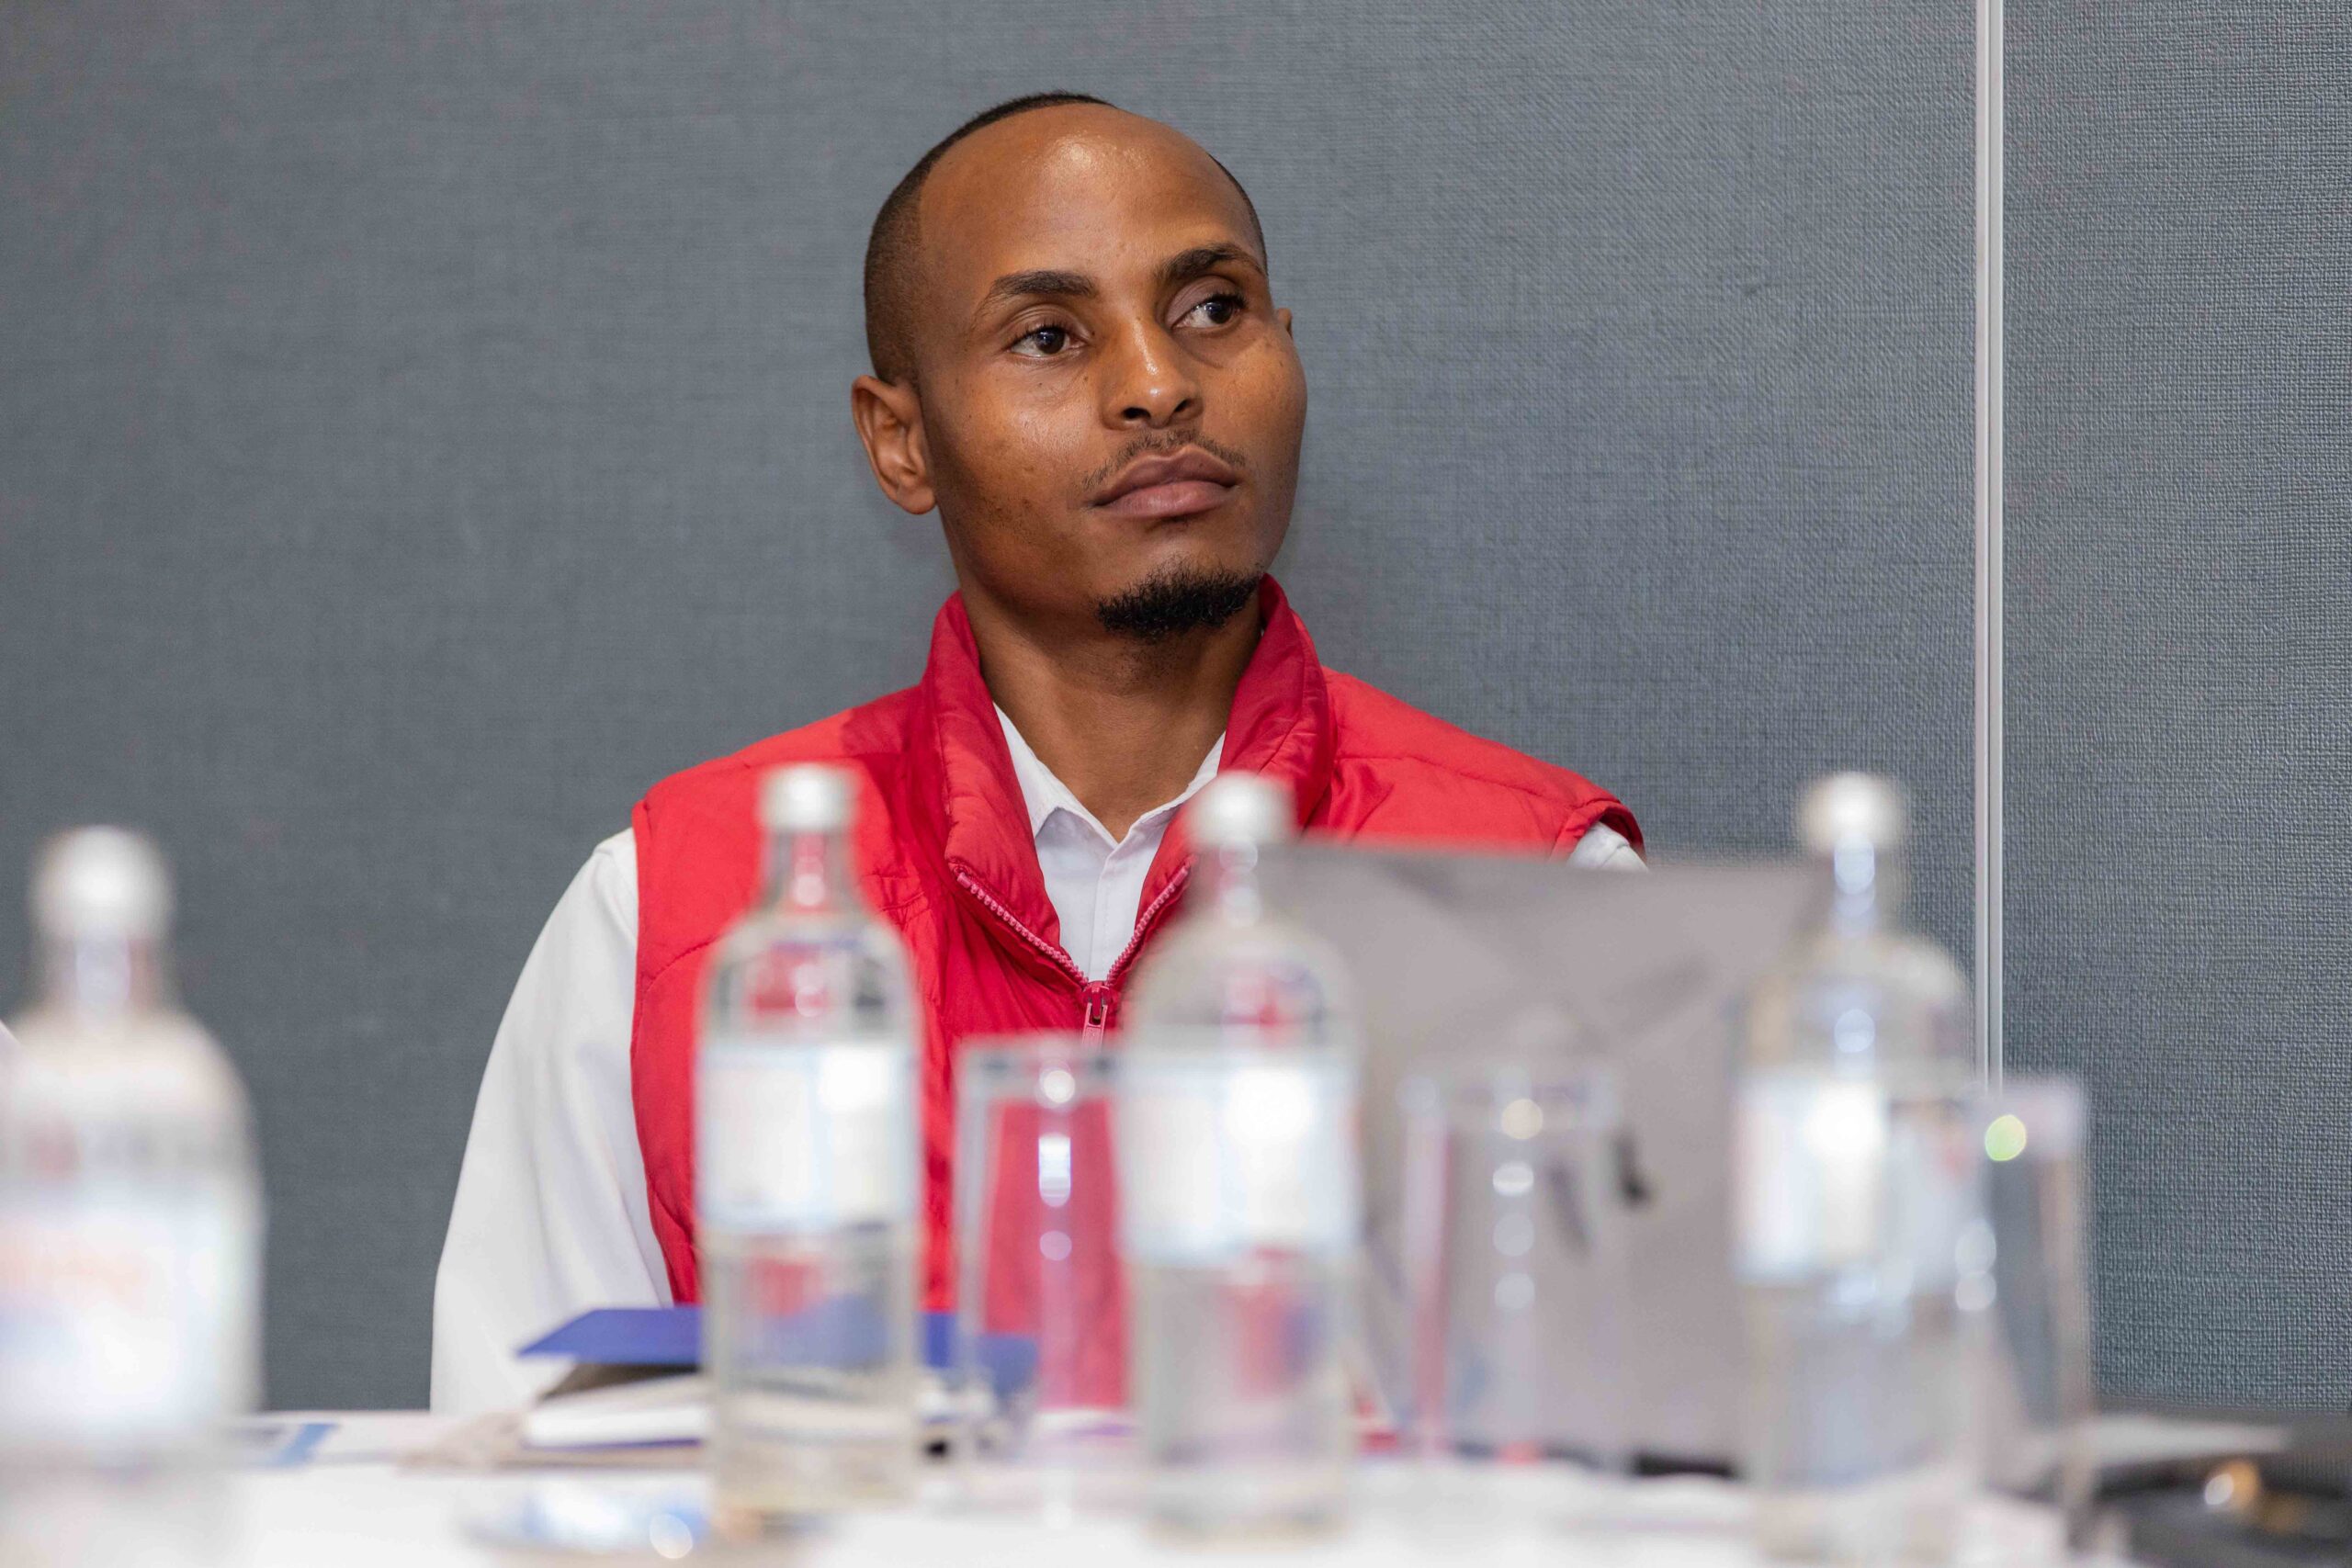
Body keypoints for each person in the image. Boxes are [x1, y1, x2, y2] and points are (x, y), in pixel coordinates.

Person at [431, 92, 1641, 1413]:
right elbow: (520, 1473)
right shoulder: (671, 916)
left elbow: (1651, 1469)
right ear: (902, 441)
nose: (1158, 383)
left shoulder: (1544, 889)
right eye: (1051, 336)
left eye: (1213, 309)